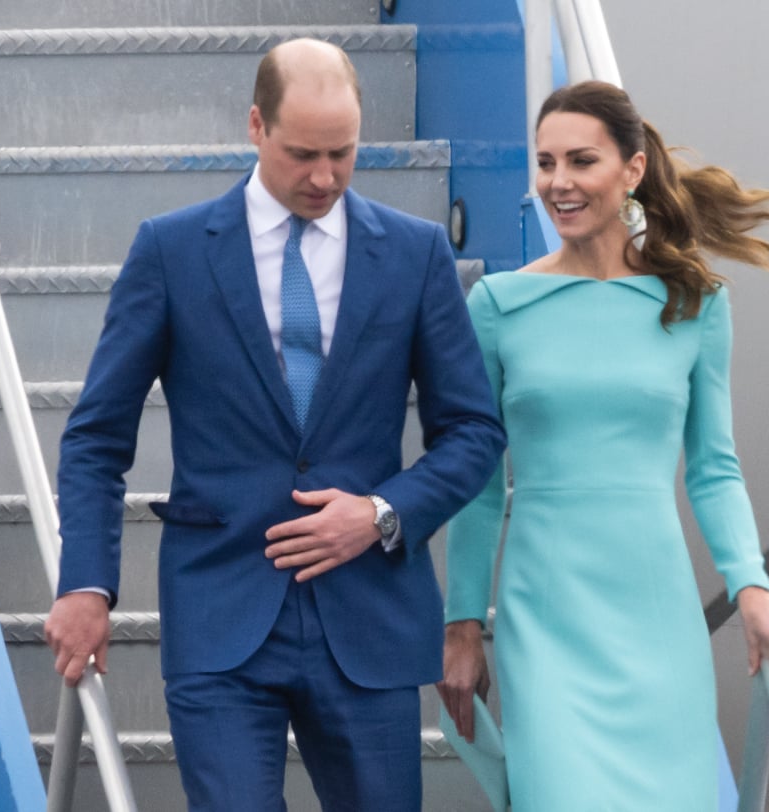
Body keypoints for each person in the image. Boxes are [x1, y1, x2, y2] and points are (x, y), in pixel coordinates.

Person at [43, 38, 506, 811]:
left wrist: (381, 513)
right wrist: (87, 583)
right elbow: (96, 438)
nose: (324, 176)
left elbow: (474, 434)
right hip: (222, 613)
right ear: (256, 127)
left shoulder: (416, 254)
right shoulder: (172, 250)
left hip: (371, 617)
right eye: (302, 154)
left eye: (343, 154)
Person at [437, 80, 769, 811]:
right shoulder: (497, 305)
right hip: (543, 613)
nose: (559, 182)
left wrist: (752, 588)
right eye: (546, 164)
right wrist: (463, 624)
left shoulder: (696, 305)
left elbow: (713, 469)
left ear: (632, 170)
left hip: (656, 615)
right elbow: (479, 482)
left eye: (581, 161)